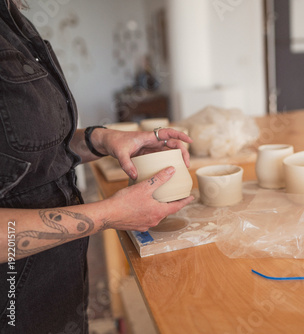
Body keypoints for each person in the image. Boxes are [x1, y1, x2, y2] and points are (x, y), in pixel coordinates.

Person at [0, 0, 193, 332]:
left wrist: (99, 139)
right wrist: (107, 215)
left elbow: (33, 153)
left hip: (57, 284)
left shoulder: (14, 21)